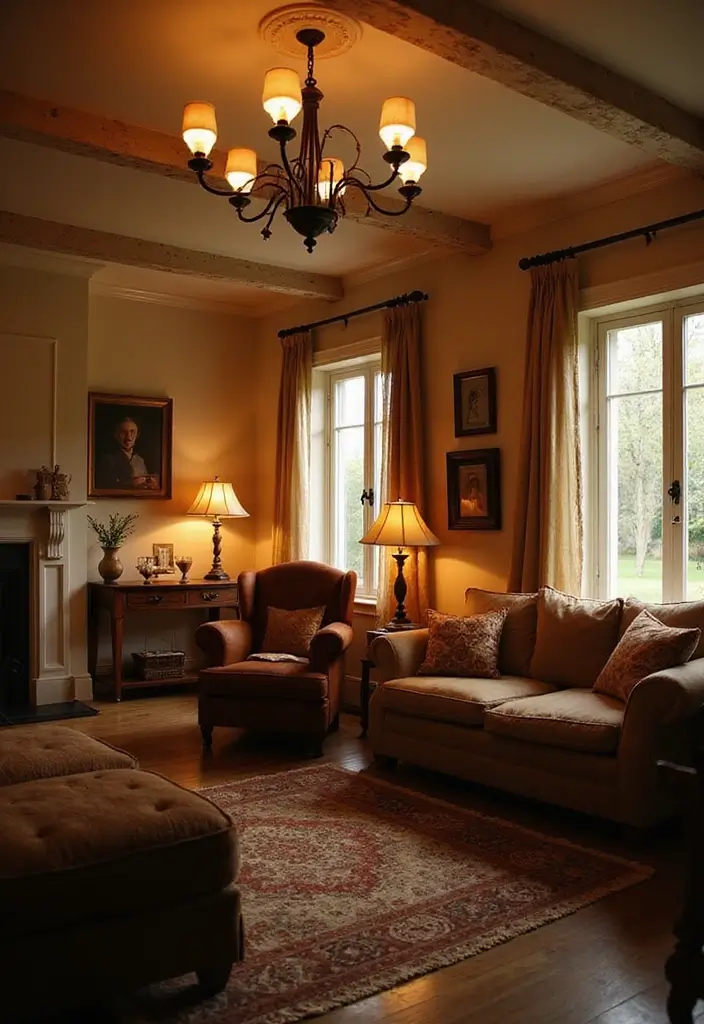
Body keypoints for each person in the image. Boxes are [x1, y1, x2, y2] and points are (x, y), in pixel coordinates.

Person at [95, 416, 158, 490]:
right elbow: (103, 486)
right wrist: (130, 484)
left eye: (132, 432)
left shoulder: (140, 460)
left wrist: (152, 484)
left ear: (137, 435)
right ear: (116, 435)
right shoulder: (107, 460)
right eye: (123, 432)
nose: (129, 438)